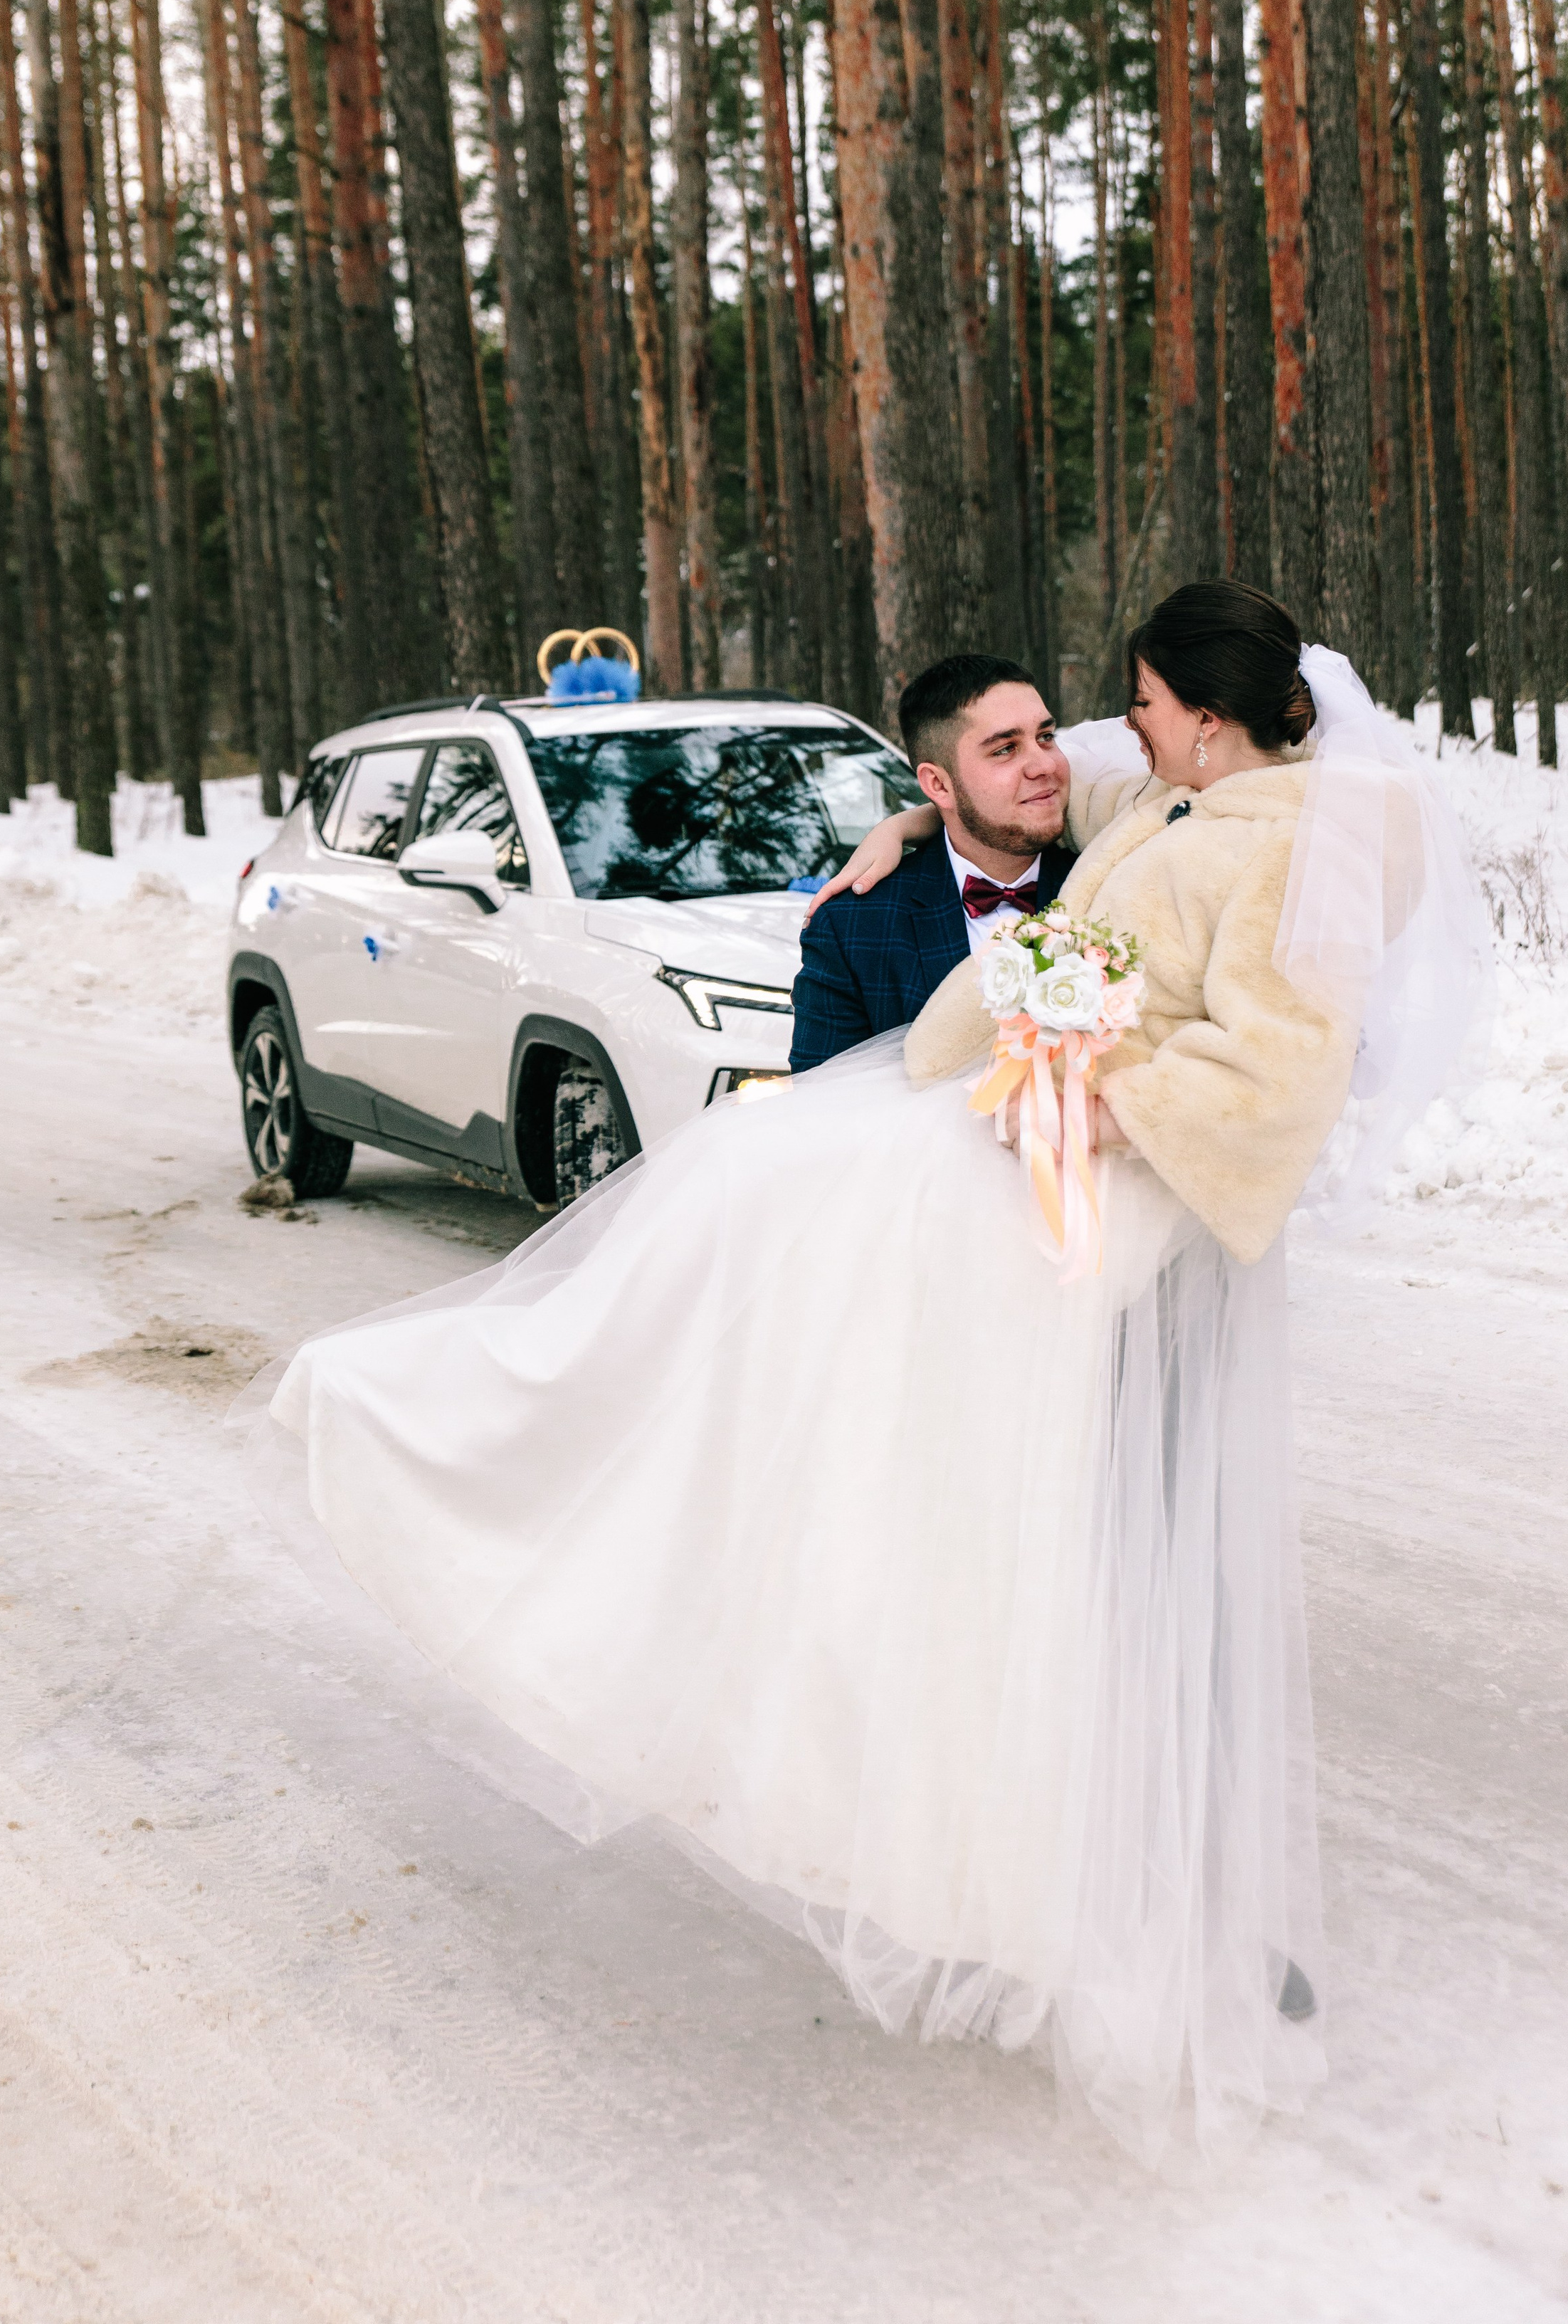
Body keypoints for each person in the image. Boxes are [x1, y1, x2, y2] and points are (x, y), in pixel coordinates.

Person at [262, 581, 1484, 2167]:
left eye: (1130, 701)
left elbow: (1269, 1073)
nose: (1097, 739)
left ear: (1197, 705)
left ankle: (1191, 1916)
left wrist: (1089, 1087)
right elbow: (1086, 802)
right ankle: (537, 1420)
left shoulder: (1296, 845)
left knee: (1160, 1586)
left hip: (1134, 1261)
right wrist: (915, 839)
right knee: (827, 1323)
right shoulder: (1192, 800)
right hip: (1036, 1253)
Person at [790, 654, 1078, 1071]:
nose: (1045, 765)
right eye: (1005, 749)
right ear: (938, 784)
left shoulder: (1108, 880)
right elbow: (819, 1109)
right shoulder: (853, 930)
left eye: (1046, 736)